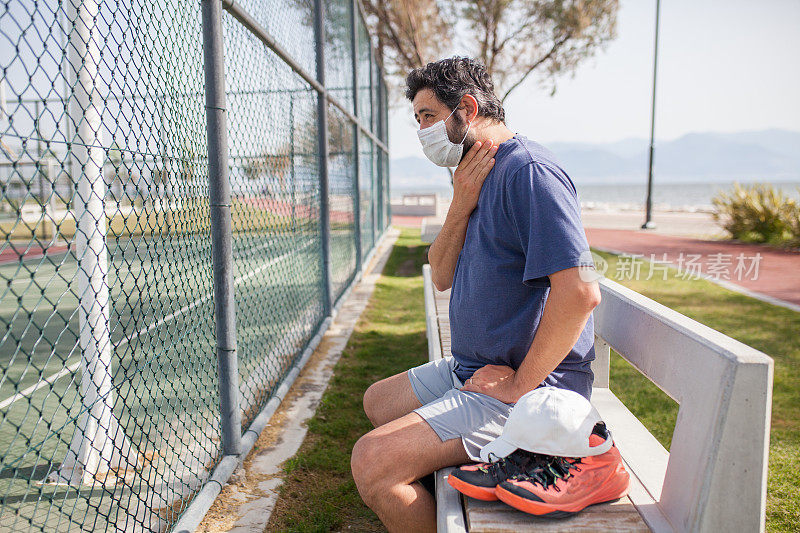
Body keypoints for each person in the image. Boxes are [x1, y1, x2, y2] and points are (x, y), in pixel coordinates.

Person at [350, 56, 601, 533]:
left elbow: (581, 293)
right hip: (472, 369)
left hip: (531, 390)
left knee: (373, 462)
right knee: (378, 402)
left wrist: (517, 385)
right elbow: (440, 274)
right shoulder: (474, 176)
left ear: (465, 108)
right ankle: (451, 470)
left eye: (427, 117)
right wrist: (460, 204)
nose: (421, 130)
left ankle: (483, 463)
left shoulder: (529, 173)